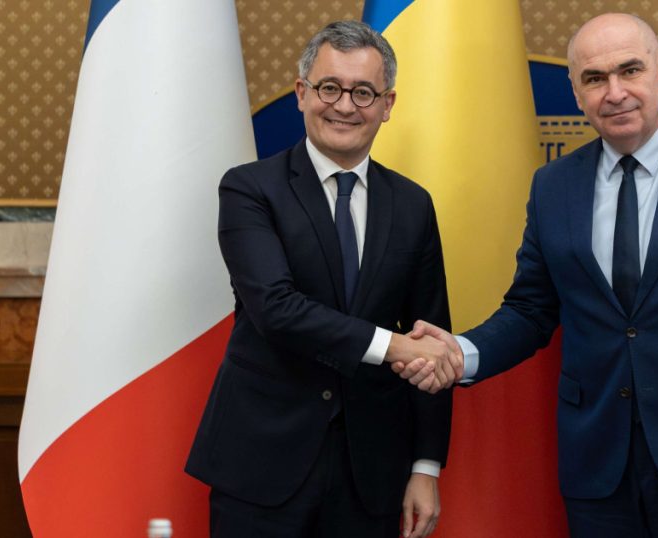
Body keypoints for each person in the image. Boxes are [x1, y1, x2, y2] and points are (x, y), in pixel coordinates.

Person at [397, 13, 658, 537]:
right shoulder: (553, 186)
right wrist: (461, 354)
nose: (615, 92)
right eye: (595, 78)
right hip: (598, 468)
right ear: (577, 93)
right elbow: (531, 310)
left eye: (630, 70)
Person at [186, 20, 461, 538]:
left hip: (372, 472)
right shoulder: (250, 189)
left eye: (363, 92)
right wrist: (394, 346)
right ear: (301, 93)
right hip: (261, 464)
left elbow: (430, 332)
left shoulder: (413, 205)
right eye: (330, 87)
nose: (344, 106)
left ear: (387, 104)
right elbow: (276, 309)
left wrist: (425, 467)